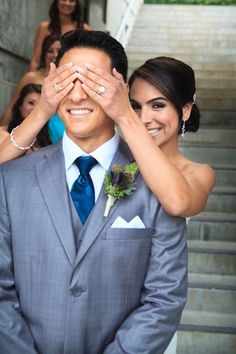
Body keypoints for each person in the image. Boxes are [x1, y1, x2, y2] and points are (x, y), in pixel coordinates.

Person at [0, 29, 187, 353]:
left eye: (91, 81)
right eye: (68, 81)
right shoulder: (10, 179)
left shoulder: (156, 182)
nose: (77, 96)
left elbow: (164, 298)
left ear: (120, 89)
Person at [0, 34, 61, 127]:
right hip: (27, 127)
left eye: (59, 51)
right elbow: (11, 107)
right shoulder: (30, 77)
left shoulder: (65, 79)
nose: (55, 55)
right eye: (50, 51)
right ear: (44, 53)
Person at [29, 0, 91, 72]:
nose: (67, 3)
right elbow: (35, 60)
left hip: (75, 73)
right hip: (49, 73)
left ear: (76, 4)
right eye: (63, 0)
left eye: (71, 1)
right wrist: (31, 80)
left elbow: (89, 58)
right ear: (56, 2)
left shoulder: (85, 28)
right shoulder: (44, 27)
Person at [0, 84, 51, 152]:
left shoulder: (48, 138)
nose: (35, 109)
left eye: (40, 105)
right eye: (31, 103)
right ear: (20, 106)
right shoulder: (2, 133)